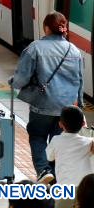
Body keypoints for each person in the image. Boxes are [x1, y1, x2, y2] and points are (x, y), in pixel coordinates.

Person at [11, 11, 84, 179]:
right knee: (57, 142)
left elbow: (21, 78)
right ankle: (54, 176)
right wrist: (79, 106)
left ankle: (44, 170)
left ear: (46, 28)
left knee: (37, 136)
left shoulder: (35, 48)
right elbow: (80, 81)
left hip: (42, 105)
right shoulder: (74, 51)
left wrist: (14, 83)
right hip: (66, 109)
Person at [44, 106, 94, 198]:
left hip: (64, 189)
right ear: (83, 124)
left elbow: (49, 157)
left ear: (60, 124)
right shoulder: (89, 142)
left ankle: (45, 174)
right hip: (85, 190)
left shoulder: (56, 140)